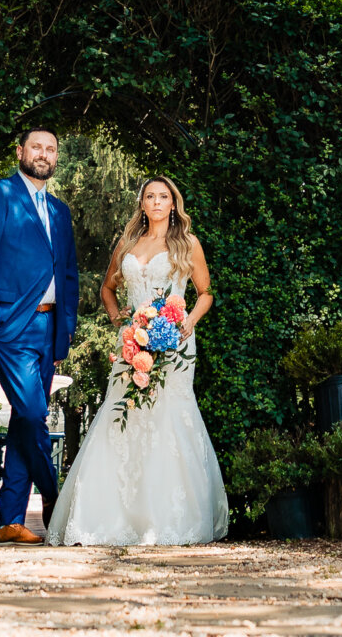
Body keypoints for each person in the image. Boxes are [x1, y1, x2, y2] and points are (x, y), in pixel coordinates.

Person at [47, 174, 228, 546]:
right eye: (151, 196)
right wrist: (121, 322)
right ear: (142, 204)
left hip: (175, 347)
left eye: (164, 196)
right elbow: (108, 289)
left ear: (173, 204)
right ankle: (112, 515)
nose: (158, 202)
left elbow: (205, 292)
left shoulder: (187, 244)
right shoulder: (128, 243)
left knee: (169, 420)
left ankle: (167, 519)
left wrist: (189, 321)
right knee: (123, 416)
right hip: (132, 345)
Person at [0, 127, 80, 544]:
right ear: (21, 151)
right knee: (33, 414)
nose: (44, 154)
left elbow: (68, 274)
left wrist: (65, 332)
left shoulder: (61, 211)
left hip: (50, 328)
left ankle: (8, 520)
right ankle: (54, 494)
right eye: (37, 147)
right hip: (12, 324)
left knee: (22, 423)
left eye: (51, 148)